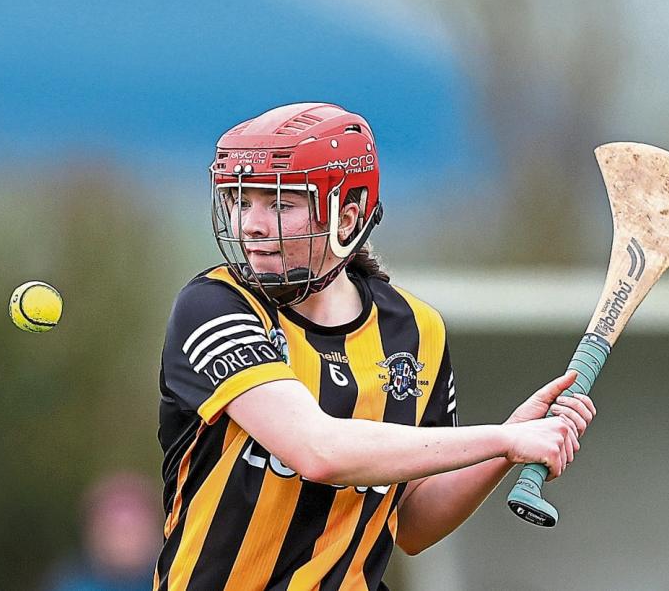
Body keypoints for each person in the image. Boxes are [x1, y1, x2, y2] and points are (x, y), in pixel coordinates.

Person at [154, 103, 596, 591]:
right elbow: (317, 450)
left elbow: (413, 524)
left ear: (346, 218)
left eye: (280, 204)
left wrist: (507, 446)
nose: (251, 226)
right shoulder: (215, 307)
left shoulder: (417, 331)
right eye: (240, 201)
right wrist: (500, 439)